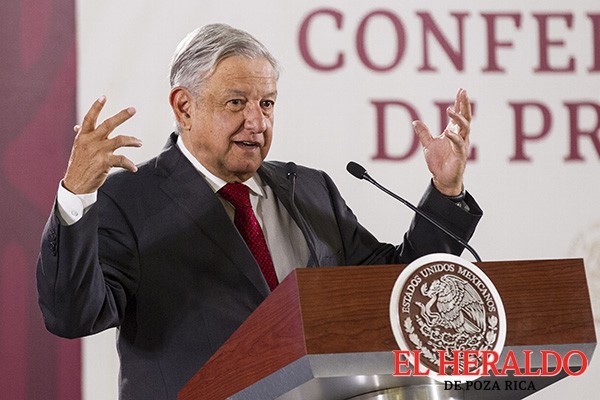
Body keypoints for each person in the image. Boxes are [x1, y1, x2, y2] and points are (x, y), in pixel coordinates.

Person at [36, 23, 482, 399]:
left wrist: (445, 192)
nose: (258, 122)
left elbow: (397, 290)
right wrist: (76, 196)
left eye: (267, 103)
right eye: (236, 103)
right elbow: (73, 315)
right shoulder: (129, 199)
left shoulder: (310, 189)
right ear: (184, 107)